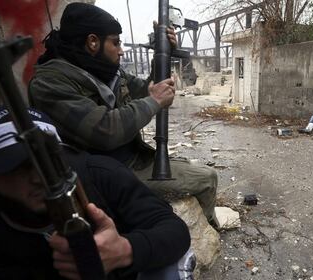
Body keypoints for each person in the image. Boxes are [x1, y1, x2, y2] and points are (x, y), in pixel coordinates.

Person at [28, 3, 217, 221]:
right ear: (92, 42)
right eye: (115, 42)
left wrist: (162, 54)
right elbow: (106, 130)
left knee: (189, 166)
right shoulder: (50, 83)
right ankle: (207, 228)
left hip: (132, 161)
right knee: (207, 178)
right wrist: (154, 101)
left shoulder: (103, 71)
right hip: (104, 178)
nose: (121, 50)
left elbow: (146, 90)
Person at [0, 106, 192, 280]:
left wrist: (125, 250)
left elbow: (174, 231)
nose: (40, 178)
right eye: (17, 167)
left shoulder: (99, 174)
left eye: (50, 161)